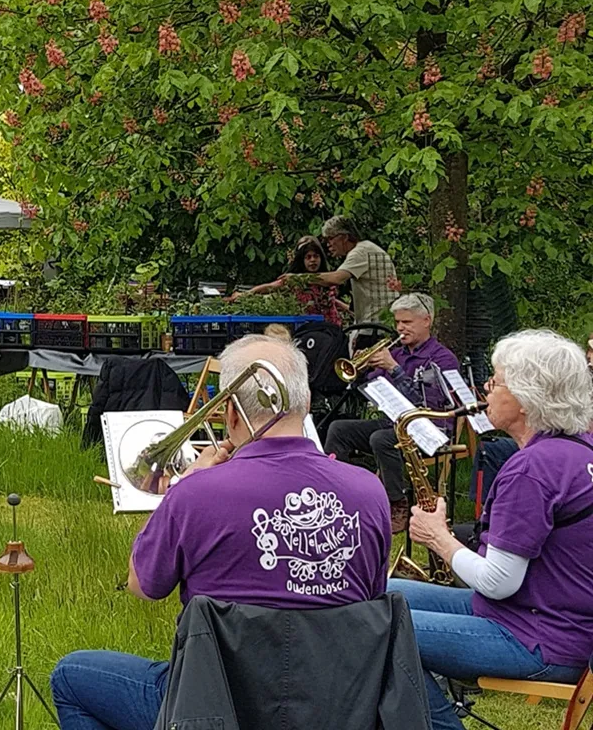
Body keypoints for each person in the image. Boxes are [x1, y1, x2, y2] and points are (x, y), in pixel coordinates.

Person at [50, 335, 392, 730]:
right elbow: (371, 599)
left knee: (71, 676)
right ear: (308, 403)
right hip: (338, 708)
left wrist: (180, 491)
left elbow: (141, 585)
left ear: (229, 412)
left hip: (212, 709)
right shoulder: (369, 490)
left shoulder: (196, 493)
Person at [389, 329, 593, 730]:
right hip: (549, 618)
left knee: (373, 631)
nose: (486, 388)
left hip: (540, 638)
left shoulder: (533, 469)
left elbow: (499, 582)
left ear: (525, 395)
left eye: (495, 381)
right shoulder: (580, 448)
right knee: (377, 593)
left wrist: (438, 537)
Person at [323, 293, 460, 532]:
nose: (399, 328)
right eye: (397, 322)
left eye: (407, 322)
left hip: (429, 430)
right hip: (395, 424)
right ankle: (338, 492)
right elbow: (371, 392)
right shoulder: (397, 353)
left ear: (426, 320)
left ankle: (397, 503)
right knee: (339, 429)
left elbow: (426, 404)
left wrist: (394, 369)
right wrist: (361, 371)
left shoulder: (442, 359)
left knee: (382, 439)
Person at [313, 216, 399, 342]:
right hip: (384, 325)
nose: (328, 244)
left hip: (374, 329)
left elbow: (336, 278)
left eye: (330, 238)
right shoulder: (368, 248)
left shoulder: (359, 252)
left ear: (344, 237)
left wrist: (297, 279)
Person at [236, 235, 343, 325]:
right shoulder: (294, 280)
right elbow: (270, 287)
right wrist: (245, 294)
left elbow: (330, 301)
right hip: (307, 328)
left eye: (316, 256)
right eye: (308, 257)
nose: (313, 260)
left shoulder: (328, 279)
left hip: (332, 327)